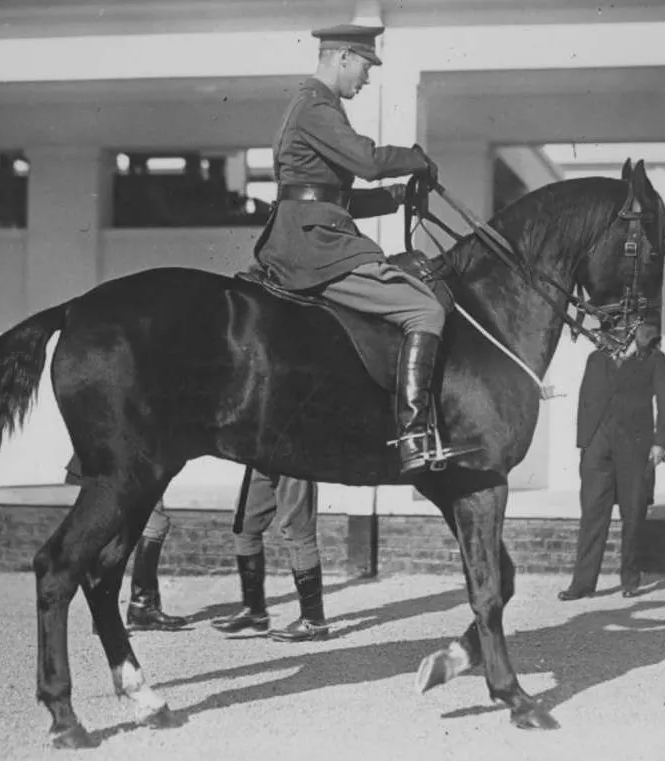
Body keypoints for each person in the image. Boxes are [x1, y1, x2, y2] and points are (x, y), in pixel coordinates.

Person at [252, 23, 476, 476]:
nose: (367, 78)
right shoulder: (316, 106)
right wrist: (416, 158)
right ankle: (413, 435)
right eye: (365, 67)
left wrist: (395, 198)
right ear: (342, 59)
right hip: (316, 247)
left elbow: (327, 194)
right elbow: (367, 161)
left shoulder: (312, 107)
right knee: (425, 311)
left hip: (307, 234)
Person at [558, 323, 665, 600]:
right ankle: (582, 584)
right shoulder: (596, 359)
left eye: (623, 328)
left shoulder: (655, 359)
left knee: (633, 512)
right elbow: (586, 400)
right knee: (592, 513)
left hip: (635, 444)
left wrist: (660, 443)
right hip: (597, 445)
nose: (615, 334)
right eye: (612, 329)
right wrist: (585, 442)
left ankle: (630, 580)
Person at [65, 454, 191, 630]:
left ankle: (135, 608)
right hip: (122, 457)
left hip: (127, 457)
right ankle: (133, 609)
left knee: (147, 523)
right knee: (145, 524)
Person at [211, 468, 328, 642]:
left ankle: (313, 622)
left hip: (293, 456)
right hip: (260, 459)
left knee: (299, 535)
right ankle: (254, 611)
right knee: (244, 528)